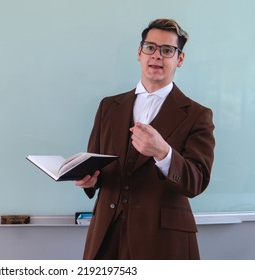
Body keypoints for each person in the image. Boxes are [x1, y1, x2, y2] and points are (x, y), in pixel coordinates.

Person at [74, 18, 215, 260]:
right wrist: (89, 180)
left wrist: (164, 153)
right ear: (140, 53)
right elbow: (96, 165)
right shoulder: (109, 106)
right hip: (107, 235)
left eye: (167, 50)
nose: (157, 56)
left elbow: (197, 181)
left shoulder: (197, 114)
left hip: (163, 240)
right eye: (150, 47)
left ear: (179, 59)